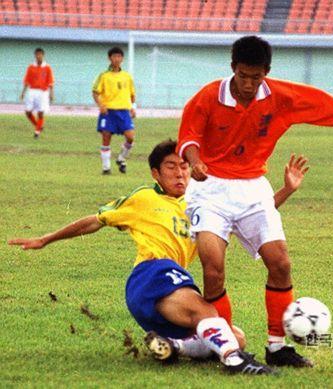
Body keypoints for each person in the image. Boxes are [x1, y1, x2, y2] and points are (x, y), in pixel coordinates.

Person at [176, 35, 333, 368]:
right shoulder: (209, 96)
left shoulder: (281, 96)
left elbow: (331, 107)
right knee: (213, 270)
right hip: (209, 188)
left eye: (257, 77)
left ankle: (277, 347)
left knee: (281, 263)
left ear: (266, 73)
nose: (249, 84)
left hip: (253, 186)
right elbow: (189, 136)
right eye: (243, 76)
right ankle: (228, 347)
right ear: (233, 69)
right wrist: (196, 160)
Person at [9, 140, 309, 374]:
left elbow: (251, 216)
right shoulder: (143, 198)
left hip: (168, 296)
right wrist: (46, 239)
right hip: (152, 275)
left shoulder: (204, 206)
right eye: (170, 167)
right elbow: (94, 221)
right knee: (215, 322)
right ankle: (234, 361)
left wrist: (287, 189)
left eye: (184, 166)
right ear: (155, 172)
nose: (180, 173)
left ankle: (174, 346)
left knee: (236, 335)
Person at [92, 47, 136, 175]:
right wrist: (101, 105)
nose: (117, 59)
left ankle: (121, 158)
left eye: (119, 56)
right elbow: (95, 92)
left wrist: (133, 107)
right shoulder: (104, 75)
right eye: (114, 56)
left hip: (124, 112)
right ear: (109, 58)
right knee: (106, 138)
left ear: (122, 59)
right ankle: (106, 168)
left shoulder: (127, 76)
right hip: (108, 112)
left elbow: (132, 95)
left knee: (130, 138)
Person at [20, 48, 54, 139]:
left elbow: (50, 82)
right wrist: (23, 92)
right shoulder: (31, 67)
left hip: (43, 92)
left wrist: (51, 93)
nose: (38, 56)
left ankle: (37, 132)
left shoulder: (47, 67)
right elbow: (27, 81)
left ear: (43, 55)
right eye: (37, 54)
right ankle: (38, 126)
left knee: (40, 113)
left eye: (40, 54)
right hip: (32, 91)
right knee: (27, 112)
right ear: (35, 55)